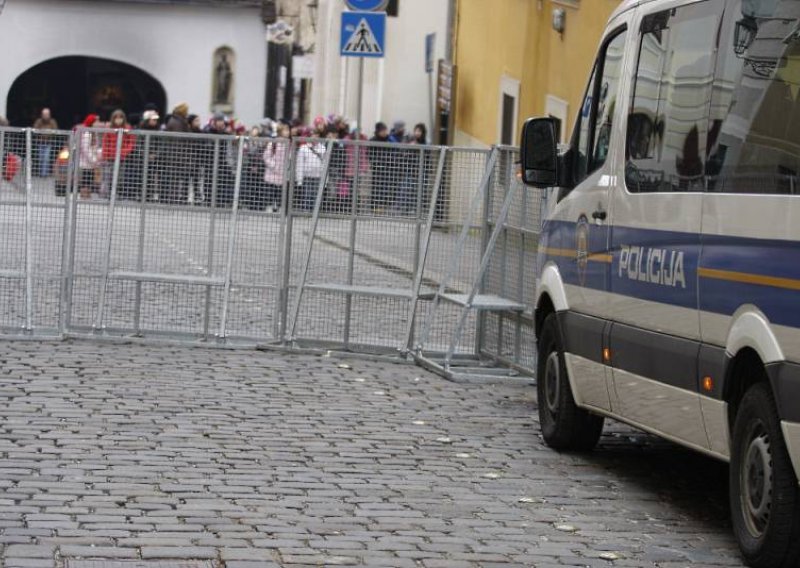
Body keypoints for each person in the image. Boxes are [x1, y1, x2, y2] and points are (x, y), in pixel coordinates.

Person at [100, 109, 136, 199]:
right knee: (108, 176)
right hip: (110, 157)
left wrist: (123, 152)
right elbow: (105, 142)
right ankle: (107, 194)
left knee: (120, 177)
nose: (118, 119)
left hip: (122, 158)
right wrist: (105, 155)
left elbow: (131, 142)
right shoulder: (109, 129)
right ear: (113, 118)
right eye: (116, 117)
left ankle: (117, 193)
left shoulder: (127, 129)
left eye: (120, 117)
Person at [163, 103, 191, 204]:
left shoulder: (177, 120)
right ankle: (173, 198)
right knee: (175, 177)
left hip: (176, 153)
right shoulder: (177, 122)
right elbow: (179, 140)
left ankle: (174, 197)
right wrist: (184, 154)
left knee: (176, 177)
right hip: (177, 154)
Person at [295, 132, 326, 211]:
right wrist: (299, 180)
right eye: (313, 135)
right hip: (307, 176)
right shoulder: (303, 148)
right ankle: (305, 211)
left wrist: (325, 179)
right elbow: (299, 164)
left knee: (316, 195)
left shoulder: (323, 148)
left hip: (318, 176)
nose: (315, 137)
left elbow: (325, 164)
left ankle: (315, 212)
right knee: (307, 194)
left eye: (317, 135)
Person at [263, 122, 290, 212]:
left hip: (283, 173)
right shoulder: (273, 143)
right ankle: (270, 207)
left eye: (288, 130)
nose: (288, 132)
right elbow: (266, 156)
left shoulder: (289, 143)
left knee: (280, 192)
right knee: (271, 191)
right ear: (280, 132)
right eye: (285, 130)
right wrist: (274, 165)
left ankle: (279, 208)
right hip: (272, 173)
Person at [368, 122, 392, 211]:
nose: (384, 132)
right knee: (376, 186)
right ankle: (375, 206)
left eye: (385, 130)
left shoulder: (388, 139)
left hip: (386, 167)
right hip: (377, 167)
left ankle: (382, 206)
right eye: (382, 130)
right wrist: (375, 162)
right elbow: (369, 154)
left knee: (385, 186)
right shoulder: (373, 140)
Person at [77, 114, 100, 199]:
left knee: (89, 178)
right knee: (86, 179)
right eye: (96, 121)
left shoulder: (93, 133)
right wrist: (93, 160)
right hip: (86, 162)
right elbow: (85, 149)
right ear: (92, 123)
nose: (98, 123)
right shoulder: (87, 134)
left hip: (90, 162)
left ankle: (87, 194)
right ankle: (84, 195)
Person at [33, 108, 59, 178]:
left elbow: (55, 130)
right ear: (42, 114)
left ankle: (43, 174)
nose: (45, 116)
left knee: (46, 158)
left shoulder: (52, 121)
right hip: (40, 143)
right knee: (41, 158)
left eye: (47, 114)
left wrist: (47, 132)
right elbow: (35, 129)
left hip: (48, 143)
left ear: (49, 115)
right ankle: (41, 172)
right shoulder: (39, 121)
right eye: (44, 114)